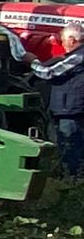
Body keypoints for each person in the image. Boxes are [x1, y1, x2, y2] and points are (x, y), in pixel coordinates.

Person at [33, 22, 84, 177]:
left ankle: (70, 182)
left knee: (69, 149)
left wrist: (32, 62)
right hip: (71, 109)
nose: (62, 45)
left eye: (63, 41)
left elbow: (48, 73)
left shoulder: (77, 57)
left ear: (72, 40)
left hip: (70, 111)